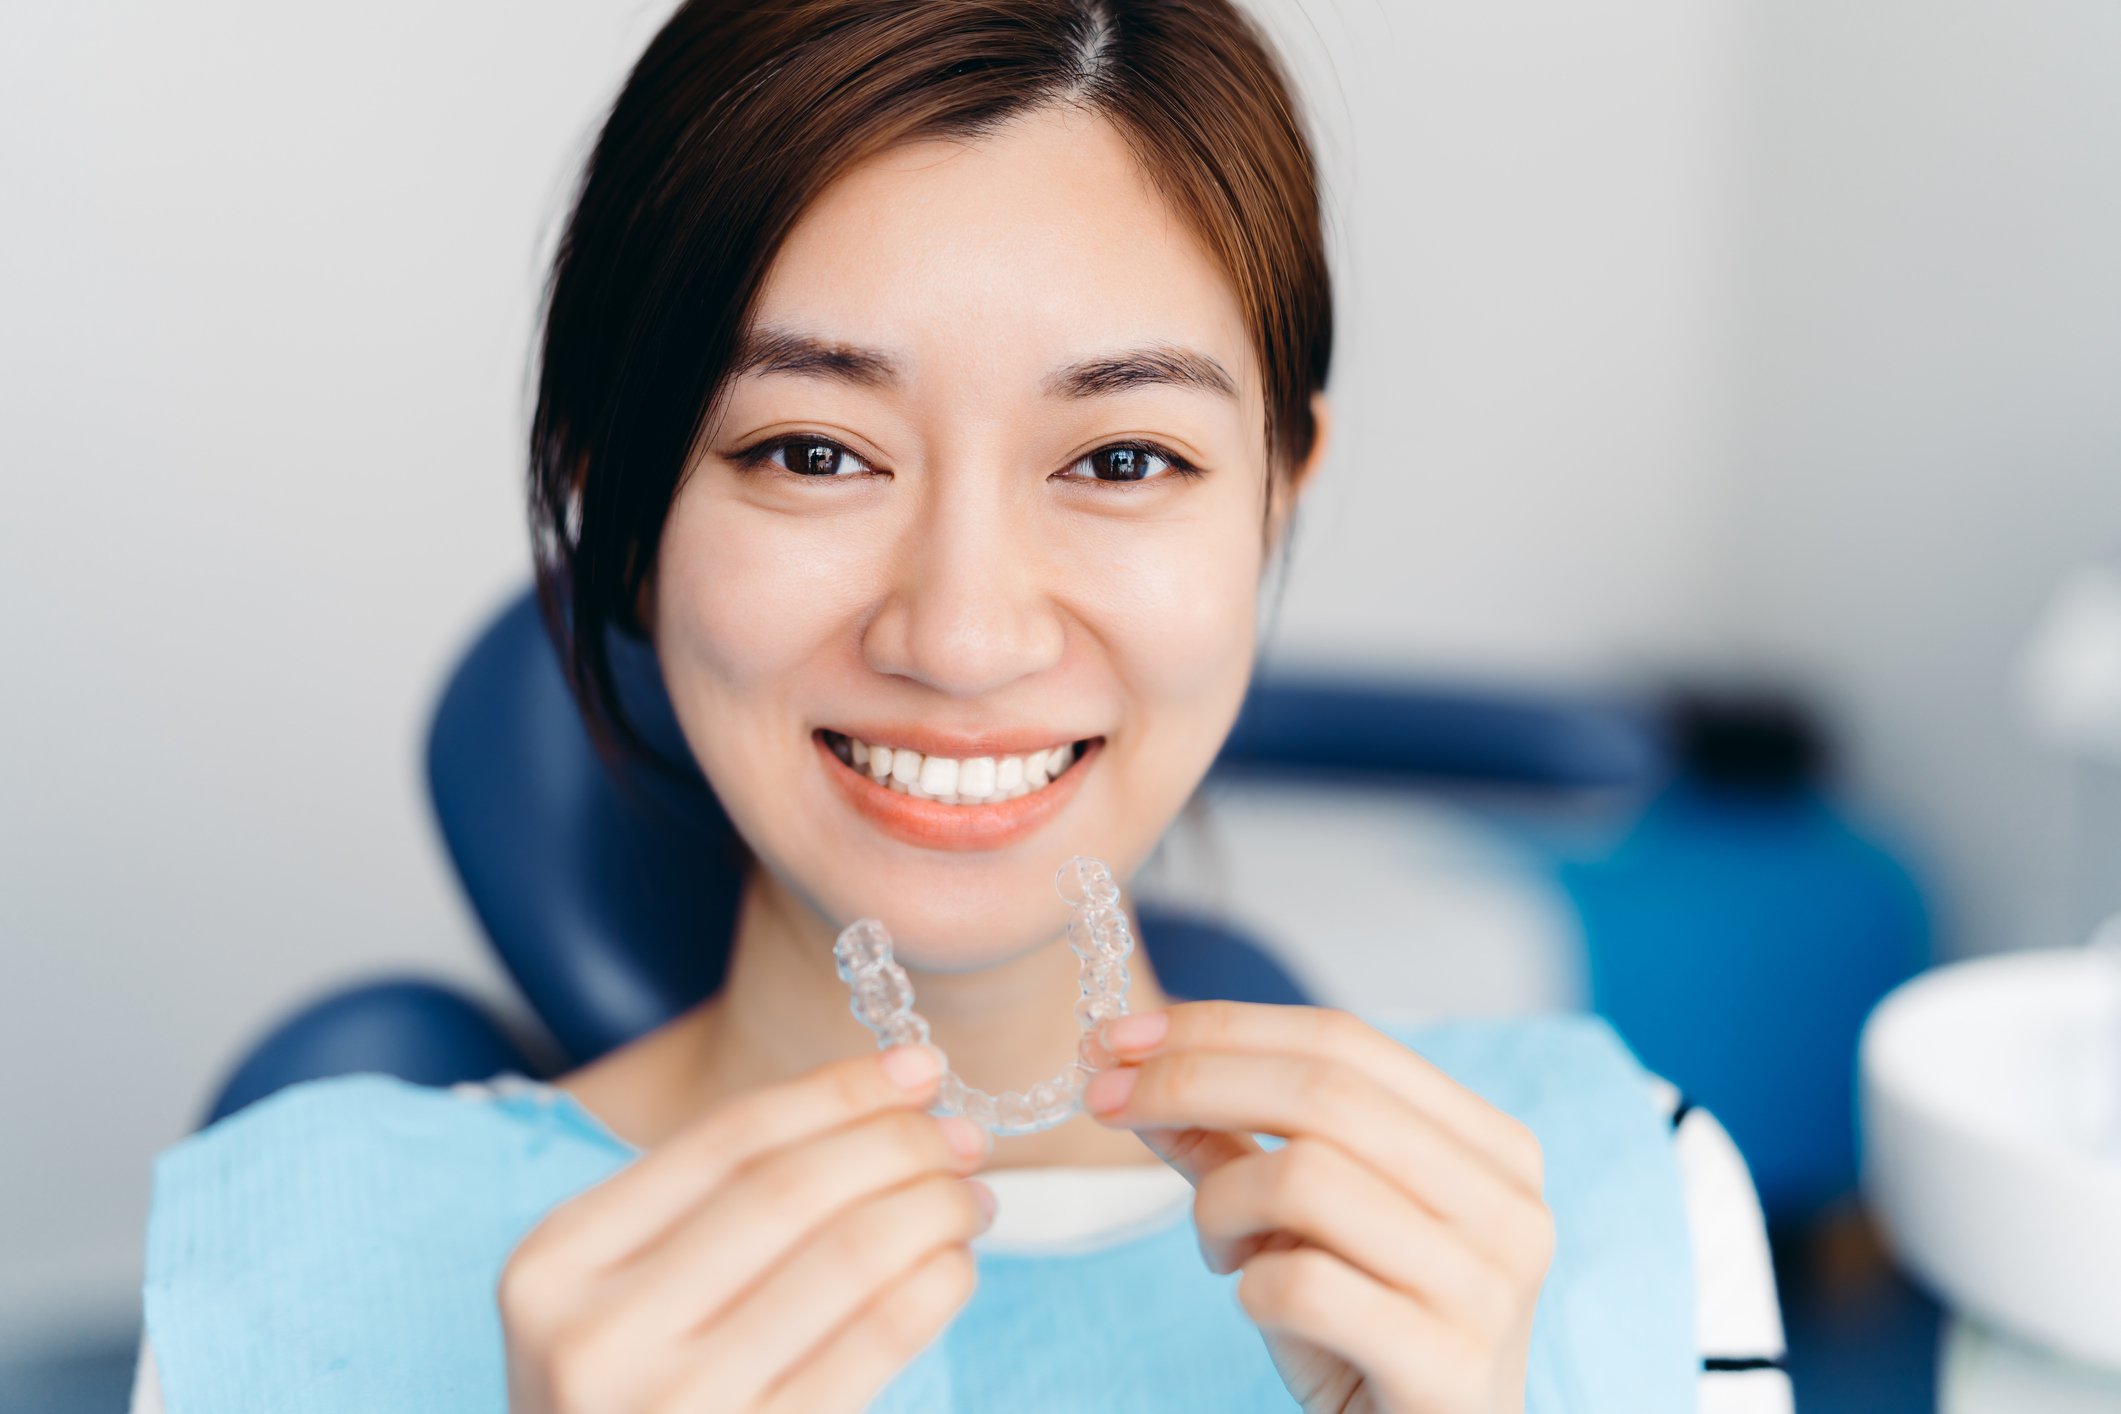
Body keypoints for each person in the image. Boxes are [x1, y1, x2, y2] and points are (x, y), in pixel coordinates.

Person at [135, 1, 1789, 1409]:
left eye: (1124, 457)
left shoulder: (1611, 1188)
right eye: (811, 451)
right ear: (621, 520)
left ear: (1273, 504)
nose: (964, 631)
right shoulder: (300, 1255)